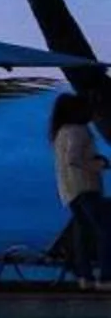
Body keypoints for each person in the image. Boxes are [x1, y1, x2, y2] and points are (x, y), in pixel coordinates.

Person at [53, 95, 109, 288]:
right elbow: (73, 159)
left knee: (82, 232)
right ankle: (106, 276)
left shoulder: (61, 132)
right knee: (104, 230)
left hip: (69, 190)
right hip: (86, 187)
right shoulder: (78, 130)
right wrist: (97, 165)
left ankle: (85, 276)